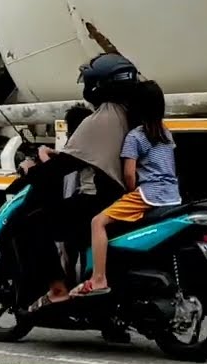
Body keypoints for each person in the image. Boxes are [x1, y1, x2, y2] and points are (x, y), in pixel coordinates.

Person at [25, 53, 138, 312]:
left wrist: (34, 168)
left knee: (35, 222)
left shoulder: (101, 119)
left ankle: (57, 290)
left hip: (101, 200)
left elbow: (65, 165)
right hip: (126, 198)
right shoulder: (127, 113)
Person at [71, 80, 182, 297]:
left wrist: (130, 192)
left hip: (148, 194)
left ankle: (98, 279)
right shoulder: (166, 133)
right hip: (171, 196)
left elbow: (129, 173)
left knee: (97, 222)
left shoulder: (135, 136)